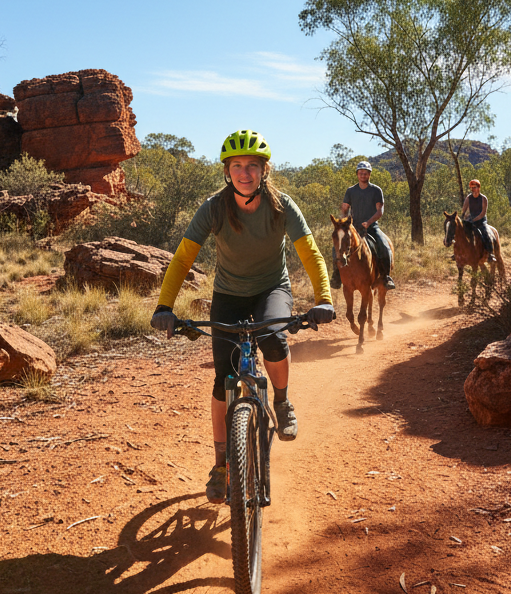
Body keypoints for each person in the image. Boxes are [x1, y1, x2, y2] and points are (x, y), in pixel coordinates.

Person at [150, 129, 334, 505]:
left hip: (272, 289)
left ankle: (281, 402)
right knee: (223, 379)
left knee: (273, 338)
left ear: (265, 170)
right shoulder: (214, 207)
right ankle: (222, 465)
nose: (245, 173)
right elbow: (184, 257)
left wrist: (324, 298)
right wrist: (164, 306)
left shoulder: (283, 206)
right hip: (229, 295)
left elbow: (310, 253)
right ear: (227, 171)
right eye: (237, 166)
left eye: (252, 165)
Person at [330, 161, 396, 291]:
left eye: (365, 173)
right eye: (360, 173)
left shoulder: (376, 190)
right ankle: (336, 276)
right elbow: (344, 208)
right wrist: (342, 223)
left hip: (372, 227)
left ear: (369, 174)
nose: (363, 175)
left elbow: (380, 211)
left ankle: (385, 277)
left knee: (384, 246)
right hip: (353, 228)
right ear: (357, 174)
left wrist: (369, 222)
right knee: (336, 247)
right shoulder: (351, 191)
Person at [461, 178, 496, 262]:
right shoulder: (468, 198)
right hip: (471, 218)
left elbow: (483, 212)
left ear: (479, 187)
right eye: (471, 188)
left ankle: (490, 254)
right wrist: (463, 216)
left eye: (475, 187)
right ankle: (459, 252)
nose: (473, 189)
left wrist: (475, 220)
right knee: (461, 231)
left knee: (485, 232)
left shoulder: (483, 198)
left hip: (481, 219)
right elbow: (464, 210)